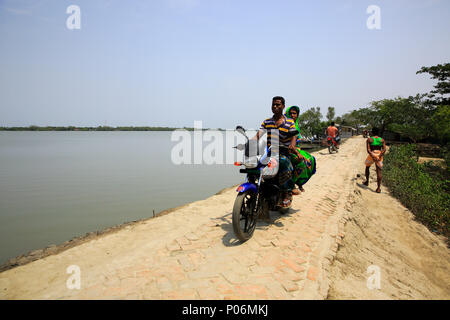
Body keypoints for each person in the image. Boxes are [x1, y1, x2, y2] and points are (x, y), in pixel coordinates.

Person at [253, 96, 299, 207]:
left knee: (282, 161)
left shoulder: (289, 122)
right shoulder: (267, 122)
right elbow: (258, 135)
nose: (275, 106)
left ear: (283, 106)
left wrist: (292, 145)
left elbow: (294, 136)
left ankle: (287, 191)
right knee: (255, 165)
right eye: (273, 104)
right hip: (270, 153)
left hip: (284, 153)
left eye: (278, 104)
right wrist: (250, 142)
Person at [285, 106, 317, 193]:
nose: (292, 115)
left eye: (294, 113)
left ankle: (297, 182)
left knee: (311, 160)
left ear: (297, 115)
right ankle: (292, 183)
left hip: (295, 149)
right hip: (286, 148)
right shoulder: (284, 124)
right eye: (290, 113)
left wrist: (297, 150)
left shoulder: (296, 126)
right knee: (301, 161)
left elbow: (296, 141)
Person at [363, 127, 386, 193]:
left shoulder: (369, 139)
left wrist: (373, 156)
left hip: (372, 155)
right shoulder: (382, 140)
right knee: (379, 171)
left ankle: (367, 182)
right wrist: (379, 156)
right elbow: (384, 149)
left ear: (372, 132)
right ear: (378, 132)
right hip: (379, 155)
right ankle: (378, 188)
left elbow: (368, 150)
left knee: (367, 167)